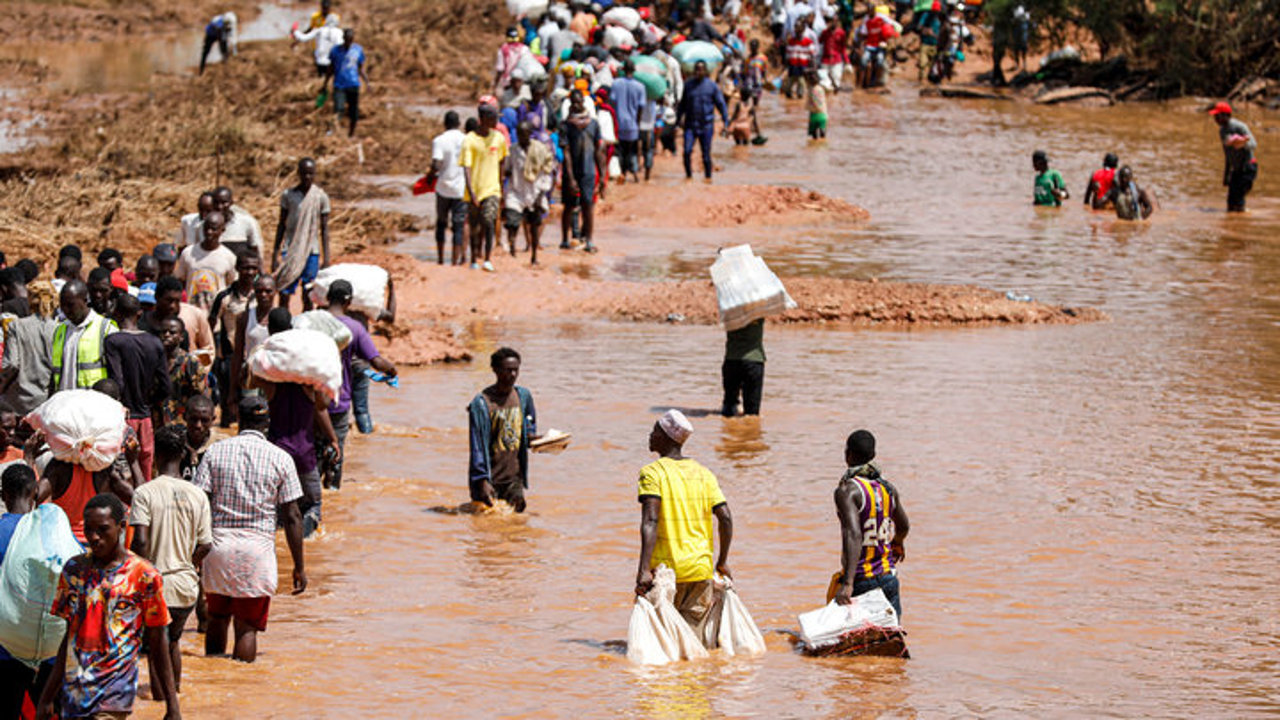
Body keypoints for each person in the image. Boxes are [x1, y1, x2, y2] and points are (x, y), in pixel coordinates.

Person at [37, 493, 180, 720]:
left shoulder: (144, 575)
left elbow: (158, 640)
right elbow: (68, 637)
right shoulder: (74, 570)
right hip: (75, 692)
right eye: (89, 530)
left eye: (103, 529)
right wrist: (47, 696)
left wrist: (172, 705)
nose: (94, 537)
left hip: (115, 692)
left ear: (121, 527)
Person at [193, 396, 307, 663]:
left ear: (239, 419)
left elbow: (200, 503)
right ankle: (240, 684)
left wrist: (194, 553)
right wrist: (299, 565)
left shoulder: (215, 451)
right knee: (246, 626)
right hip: (257, 551)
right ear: (267, 422)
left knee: (217, 619)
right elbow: (292, 516)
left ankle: (214, 681)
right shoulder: (281, 458)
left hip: (218, 546)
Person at [129, 423, 212, 696]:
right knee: (173, 641)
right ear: (183, 453)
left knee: (156, 647)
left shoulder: (145, 493)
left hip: (156, 584)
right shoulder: (198, 494)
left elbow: (140, 541)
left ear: (158, 456)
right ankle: (174, 698)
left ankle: (160, 701)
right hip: (187, 586)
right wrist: (187, 562)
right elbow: (205, 545)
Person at [634, 409, 733, 635]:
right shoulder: (704, 474)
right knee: (692, 644)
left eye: (655, 430)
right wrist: (722, 561)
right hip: (700, 570)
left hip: (665, 573)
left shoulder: (652, 473)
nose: (650, 435)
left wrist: (643, 571)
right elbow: (725, 517)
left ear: (666, 437)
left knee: (661, 645)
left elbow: (651, 519)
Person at [257, 308, 339, 535]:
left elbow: (250, 378)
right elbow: (321, 408)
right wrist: (333, 440)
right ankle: (304, 544)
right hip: (304, 454)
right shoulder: (308, 384)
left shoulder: (270, 382)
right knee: (311, 504)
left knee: (276, 508)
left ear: (270, 330)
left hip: (275, 451)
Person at [320, 281, 395, 490]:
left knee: (313, 453)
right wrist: (392, 371)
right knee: (336, 450)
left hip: (311, 399)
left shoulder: (313, 322)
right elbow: (376, 361)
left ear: (327, 298)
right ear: (349, 301)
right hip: (338, 400)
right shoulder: (354, 328)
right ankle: (333, 490)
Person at [831, 430, 909, 617]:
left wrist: (848, 584)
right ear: (872, 456)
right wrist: (897, 542)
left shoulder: (848, 491)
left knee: (856, 644)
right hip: (888, 578)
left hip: (861, 581)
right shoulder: (888, 489)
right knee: (891, 641)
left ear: (847, 455)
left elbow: (853, 534)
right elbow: (904, 526)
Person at [0, 464, 50, 717]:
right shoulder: (52, 533)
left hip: (5, 649)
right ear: (35, 493)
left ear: (2, 495)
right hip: (47, 650)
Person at [104, 294, 171, 482]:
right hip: (146, 416)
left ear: (116, 314)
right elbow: (165, 385)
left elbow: (118, 381)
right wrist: (151, 400)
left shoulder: (113, 341)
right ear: (139, 314)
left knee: (123, 472)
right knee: (145, 469)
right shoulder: (154, 342)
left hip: (124, 417)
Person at [468, 347, 537, 513]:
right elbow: (477, 446)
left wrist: (542, 441)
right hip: (489, 478)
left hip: (514, 477)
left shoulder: (523, 397)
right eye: (508, 370)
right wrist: (481, 480)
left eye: (516, 370)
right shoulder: (482, 403)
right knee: (486, 526)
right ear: (496, 370)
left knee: (517, 522)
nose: (513, 375)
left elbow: (528, 431)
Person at [273, 158, 332, 312]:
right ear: (298, 173)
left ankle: (305, 328)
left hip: (311, 251)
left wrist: (326, 259)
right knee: (284, 291)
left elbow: (324, 229)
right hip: (290, 249)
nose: (307, 177)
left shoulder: (320, 197)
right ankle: (283, 325)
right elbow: (281, 224)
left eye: (311, 174)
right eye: (304, 173)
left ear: (315, 174)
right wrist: (275, 254)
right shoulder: (288, 195)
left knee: (308, 293)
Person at [208, 251, 259, 425]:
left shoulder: (261, 296)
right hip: (229, 356)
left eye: (253, 268)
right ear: (237, 268)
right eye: (246, 268)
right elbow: (212, 324)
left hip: (254, 357)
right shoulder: (225, 297)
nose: (250, 272)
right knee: (228, 401)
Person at [461, 104, 509, 271]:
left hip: (492, 189)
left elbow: (503, 160)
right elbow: (466, 167)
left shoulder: (499, 138)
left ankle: (488, 258)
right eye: (493, 118)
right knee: (474, 226)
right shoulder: (470, 140)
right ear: (484, 120)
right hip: (474, 190)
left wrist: (501, 186)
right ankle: (474, 257)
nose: (496, 121)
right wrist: (471, 192)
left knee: (489, 221)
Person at [559, 90, 606, 253]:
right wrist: (570, 177)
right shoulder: (566, 126)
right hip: (571, 170)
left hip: (588, 170)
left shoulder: (593, 124)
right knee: (568, 206)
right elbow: (565, 152)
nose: (576, 105)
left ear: (584, 104)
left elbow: (598, 151)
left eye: (579, 102)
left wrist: (602, 175)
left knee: (588, 205)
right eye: (573, 102)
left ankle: (589, 241)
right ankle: (565, 239)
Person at [503, 121, 555, 264]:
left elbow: (547, 172)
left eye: (524, 134)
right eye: (519, 134)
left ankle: (534, 255)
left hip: (535, 192)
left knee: (534, 225)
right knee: (512, 221)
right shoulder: (513, 150)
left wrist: (541, 194)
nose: (521, 137)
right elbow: (507, 168)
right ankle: (512, 243)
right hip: (516, 191)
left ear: (529, 134)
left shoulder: (540, 149)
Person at [51, 280, 118, 392]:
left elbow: (116, 374)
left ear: (85, 301)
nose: (66, 310)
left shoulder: (106, 329)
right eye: (62, 306)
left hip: (92, 403)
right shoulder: (60, 330)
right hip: (63, 403)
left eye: (71, 305)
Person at [147, 275, 216, 371]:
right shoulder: (144, 323)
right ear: (157, 297)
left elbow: (208, 349)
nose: (173, 306)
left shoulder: (194, 315)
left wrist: (197, 373)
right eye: (169, 300)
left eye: (177, 301)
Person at [175, 210, 238, 311]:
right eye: (207, 228)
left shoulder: (228, 257)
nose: (209, 232)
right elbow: (179, 280)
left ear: (222, 230)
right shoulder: (188, 253)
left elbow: (233, 285)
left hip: (215, 317)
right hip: (191, 312)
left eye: (214, 229)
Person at [677, 61, 729, 182]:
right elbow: (682, 105)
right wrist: (678, 120)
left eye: (700, 70)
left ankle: (708, 178)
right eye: (696, 69)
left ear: (705, 71)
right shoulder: (688, 86)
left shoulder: (712, 86)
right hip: (690, 125)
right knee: (687, 151)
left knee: (706, 154)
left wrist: (725, 122)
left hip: (706, 125)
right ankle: (688, 176)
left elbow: (721, 105)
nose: (698, 72)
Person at [231, 274, 275, 411]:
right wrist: (232, 389)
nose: (263, 295)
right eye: (259, 291)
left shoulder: (281, 317)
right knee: (249, 415)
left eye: (268, 291)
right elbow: (238, 353)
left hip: (273, 377)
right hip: (251, 376)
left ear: (275, 292)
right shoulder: (244, 318)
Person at [429, 111, 469, 266]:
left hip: (443, 188)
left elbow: (437, 164)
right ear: (459, 124)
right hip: (461, 189)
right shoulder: (466, 140)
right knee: (458, 226)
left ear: (445, 124)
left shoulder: (439, 140)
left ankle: (440, 259)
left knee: (441, 223)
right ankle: (454, 261)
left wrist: (430, 175)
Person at [0, 300, 53, 415]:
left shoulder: (17, 326)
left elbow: (11, 364)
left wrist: (2, 386)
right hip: (46, 400)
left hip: (18, 401)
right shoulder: (59, 327)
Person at [1209, 102, 1258, 212]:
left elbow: (1254, 145)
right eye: (1215, 116)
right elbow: (1228, 155)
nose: (1215, 119)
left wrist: (1241, 143)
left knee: (1239, 200)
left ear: (1226, 115)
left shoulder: (1239, 127)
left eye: (1218, 116)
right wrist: (1226, 175)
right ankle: (1234, 223)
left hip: (1247, 167)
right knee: (1230, 203)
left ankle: (1241, 221)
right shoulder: (1222, 131)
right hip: (1236, 170)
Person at [160, 316, 209, 424]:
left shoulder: (191, 363)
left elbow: (202, 396)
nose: (167, 335)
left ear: (181, 337)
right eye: (163, 332)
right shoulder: (153, 361)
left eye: (172, 332)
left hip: (183, 424)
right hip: (157, 424)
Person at [324, 28, 369, 137]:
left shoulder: (358, 50)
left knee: (354, 111)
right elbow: (331, 68)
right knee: (339, 108)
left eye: (351, 39)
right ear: (343, 38)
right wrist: (325, 83)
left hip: (353, 84)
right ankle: (334, 132)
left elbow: (360, 67)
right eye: (347, 39)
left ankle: (351, 134)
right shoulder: (335, 51)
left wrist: (367, 82)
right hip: (339, 84)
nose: (349, 41)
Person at [611, 60, 647, 184]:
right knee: (632, 151)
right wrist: (637, 123)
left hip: (618, 124)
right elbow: (641, 107)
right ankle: (635, 175)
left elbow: (613, 101)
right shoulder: (640, 87)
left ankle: (623, 174)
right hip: (633, 125)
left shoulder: (616, 84)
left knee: (620, 151)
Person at [721, 317, 765, 416]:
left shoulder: (730, 312)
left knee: (729, 408)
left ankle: (728, 429)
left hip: (731, 361)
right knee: (752, 414)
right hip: (754, 360)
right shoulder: (758, 312)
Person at [212, 187, 264, 259]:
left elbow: (256, 249)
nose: (219, 207)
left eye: (224, 202)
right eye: (216, 202)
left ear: (231, 203)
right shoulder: (205, 225)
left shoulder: (246, 222)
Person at [293, 13, 342, 80]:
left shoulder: (319, 30)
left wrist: (295, 31)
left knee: (322, 79)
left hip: (321, 61)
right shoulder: (339, 32)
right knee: (332, 80)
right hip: (333, 62)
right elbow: (341, 45)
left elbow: (303, 38)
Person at [494, 26, 534, 95]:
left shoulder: (503, 49)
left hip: (507, 83)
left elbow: (500, 69)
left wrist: (495, 83)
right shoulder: (525, 49)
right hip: (521, 83)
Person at [819, 13, 848, 93]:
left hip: (837, 60)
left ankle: (835, 102)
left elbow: (843, 48)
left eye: (835, 21)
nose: (834, 23)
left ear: (838, 22)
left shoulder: (841, 33)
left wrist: (847, 62)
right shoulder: (825, 32)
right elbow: (819, 42)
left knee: (836, 82)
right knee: (824, 83)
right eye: (832, 21)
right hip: (825, 60)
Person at [806, 69, 828, 140]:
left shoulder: (810, 89)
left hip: (814, 114)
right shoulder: (821, 88)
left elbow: (813, 102)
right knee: (822, 132)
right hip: (823, 114)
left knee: (814, 135)